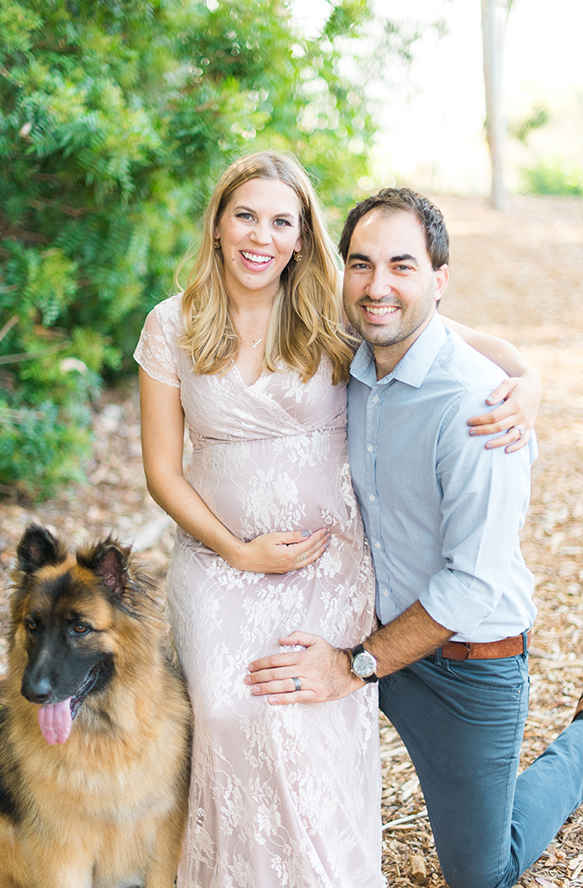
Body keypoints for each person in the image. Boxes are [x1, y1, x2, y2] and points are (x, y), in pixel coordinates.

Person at [135, 155, 539, 888]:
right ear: (218, 224)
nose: (260, 236)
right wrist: (237, 551)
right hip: (221, 564)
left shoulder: (329, 309)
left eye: (281, 221)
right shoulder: (173, 324)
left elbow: (455, 338)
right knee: (224, 714)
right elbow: (162, 469)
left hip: (329, 567)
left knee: (303, 722)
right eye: (245, 216)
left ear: (300, 238)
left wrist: (529, 383)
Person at [245, 186, 583, 888]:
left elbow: (471, 587)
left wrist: (353, 666)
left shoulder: (476, 410)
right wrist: (530, 370)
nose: (378, 287)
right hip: (368, 624)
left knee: (482, 874)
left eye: (402, 266)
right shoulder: (353, 357)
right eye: (361, 264)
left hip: (465, 663)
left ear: (440, 278)